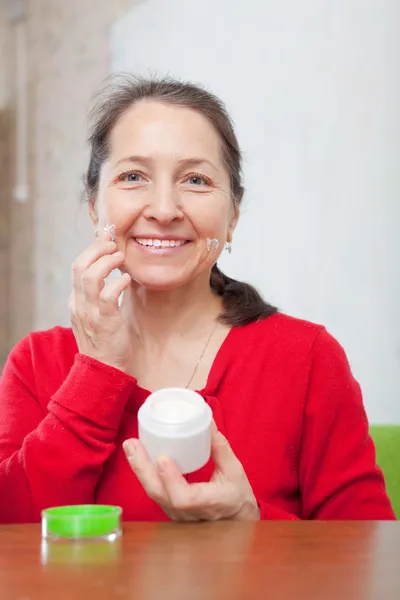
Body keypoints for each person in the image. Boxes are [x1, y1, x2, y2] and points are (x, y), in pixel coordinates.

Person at [0, 75, 395, 523]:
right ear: (94, 205)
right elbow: (11, 542)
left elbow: (370, 561)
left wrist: (251, 521)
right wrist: (96, 375)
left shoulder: (306, 359)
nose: (165, 209)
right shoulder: (35, 364)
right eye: (133, 176)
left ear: (233, 215)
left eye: (196, 179)